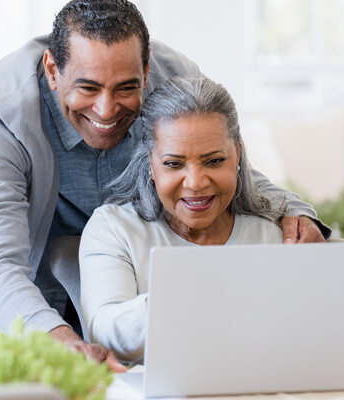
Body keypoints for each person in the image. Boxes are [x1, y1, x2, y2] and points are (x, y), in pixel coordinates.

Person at [0, 0, 328, 371]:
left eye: (125, 88)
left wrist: (294, 209)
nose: (106, 111)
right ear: (52, 71)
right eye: (87, 88)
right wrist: (56, 336)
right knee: (10, 361)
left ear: (146, 69)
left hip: (103, 221)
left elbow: (226, 166)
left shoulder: (175, 77)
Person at [80, 76, 285, 362]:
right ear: (150, 163)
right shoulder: (115, 229)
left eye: (214, 161)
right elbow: (105, 332)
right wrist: (173, 299)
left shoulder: (273, 234)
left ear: (237, 155)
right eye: (174, 164)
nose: (196, 182)